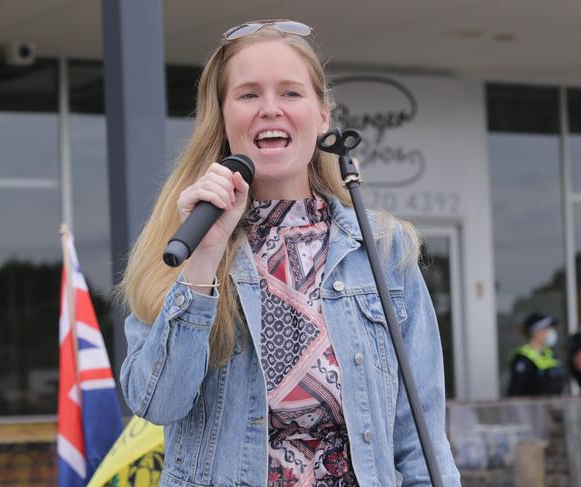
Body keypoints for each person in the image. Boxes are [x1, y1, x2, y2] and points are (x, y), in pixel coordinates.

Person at [119, 19, 460, 486]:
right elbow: (156, 404)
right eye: (249, 94)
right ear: (222, 116)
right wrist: (202, 260)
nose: (270, 109)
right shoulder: (184, 238)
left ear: (323, 116)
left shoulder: (382, 248)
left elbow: (420, 437)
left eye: (290, 93)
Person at [507, 312, 563, 396]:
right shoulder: (523, 358)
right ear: (535, 332)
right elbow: (515, 392)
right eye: (546, 329)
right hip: (531, 408)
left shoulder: (550, 354)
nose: (550, 332)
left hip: (553, 407)